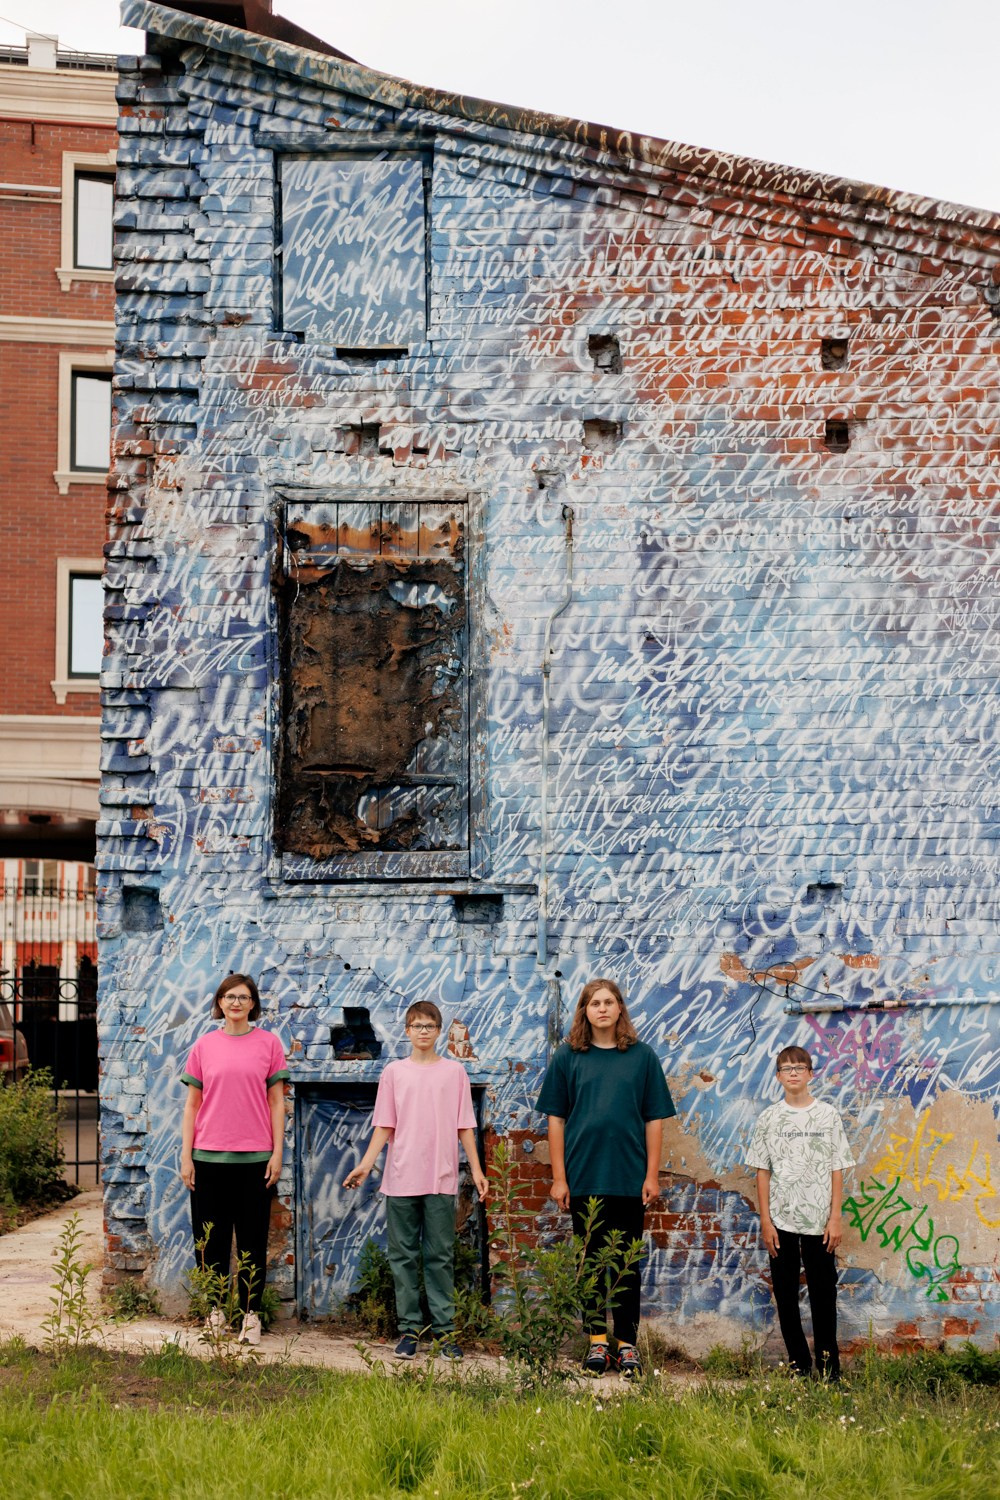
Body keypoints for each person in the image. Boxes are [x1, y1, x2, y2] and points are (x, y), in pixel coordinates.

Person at [536, 977, 675, 1379]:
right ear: (585, 1010)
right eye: (594, 1002)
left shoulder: (642, 1057)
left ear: (619, 1010)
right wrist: (560, 1178)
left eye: (609, 1002)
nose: (602, 1008)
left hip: (629, 1178)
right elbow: (556, 1120)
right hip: (584, 1178)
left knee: (627, 1263)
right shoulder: (568, 1057)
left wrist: (651, 1175)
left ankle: (627, 1346)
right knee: (592, 1262)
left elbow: (654, 1119)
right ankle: (598, 1342)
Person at [343, 1000, 488, 1360]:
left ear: (439, 1031)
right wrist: (365, 1164)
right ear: (407, 1031)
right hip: (401, 1178)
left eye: (429, 1026)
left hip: (440, 1178)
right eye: (416, 1026)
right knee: (403, 1256)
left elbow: (465, 1126)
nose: (423, 1031)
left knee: (439, 1255)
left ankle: (444, 1332)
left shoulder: (455, 1073)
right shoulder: (394, 1072)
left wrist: (479, 1170)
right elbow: (385, 1124)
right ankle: (409, 1330)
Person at [180, 973, 288, 1345]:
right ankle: (214, 1312)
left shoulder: (269, 1044)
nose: (236, 1003)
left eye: (243, 997)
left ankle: (251, 1317)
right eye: (229, 996)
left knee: (252, 1241)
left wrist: (277, 1152)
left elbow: (277, 1102)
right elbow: (192, 1104)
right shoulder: (204, 1047)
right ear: (220, 1002)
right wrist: (186, 1156)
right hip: (207, 1159)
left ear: (253, 1004)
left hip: (256, 1159)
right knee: (210, 1241)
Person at [746, 1044, 854, 1380]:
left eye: (799, 1067)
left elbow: (838, 1168)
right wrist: (766, 1221)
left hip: (820, 1223)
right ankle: (799, 1365)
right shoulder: (769, 1118)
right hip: (781, 1221)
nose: (793, 1073)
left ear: (810, 1073)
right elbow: (762, 1172)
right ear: (778, 1077)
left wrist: (835, 1217)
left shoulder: (827, 1115)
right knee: (786, 1297)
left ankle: (828, 1370)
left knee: (824, 1296)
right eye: (786, 1068)